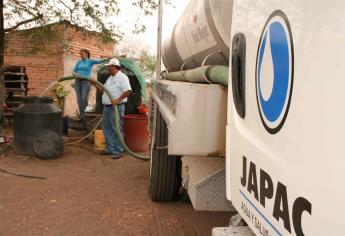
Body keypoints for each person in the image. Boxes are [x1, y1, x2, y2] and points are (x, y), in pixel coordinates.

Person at [101, 58, 132, 159]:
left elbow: (128, 91)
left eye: (109, 67)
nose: (108, 69)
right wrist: (93, 83)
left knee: (116, 129)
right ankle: (109, 149)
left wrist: (117, 100)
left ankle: (118, 151)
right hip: (107, 107)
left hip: (116, 107)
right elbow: (103, 90)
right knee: (107, 128)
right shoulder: (110, 78)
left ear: (114, 66)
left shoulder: (122, 77)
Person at [73, 49, 106, 120]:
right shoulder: (79, 62)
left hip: (86, 82)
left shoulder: (90, 61)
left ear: (87, 54)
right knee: (79, 100)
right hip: (77, 81)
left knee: (83, 98)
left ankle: (85, 112)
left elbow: (99, 61)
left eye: (82, 54)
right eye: (80, 54)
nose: (81, 55)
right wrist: (75, 74)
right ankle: (82, 116)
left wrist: (109, 58)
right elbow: (74, 71)